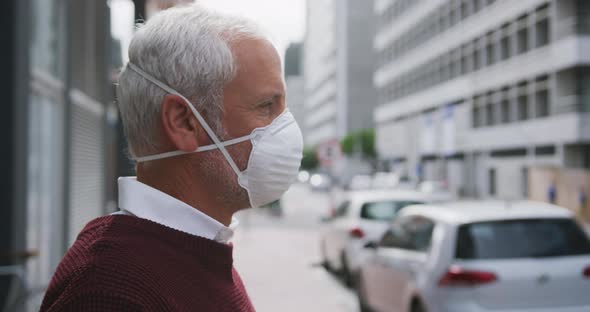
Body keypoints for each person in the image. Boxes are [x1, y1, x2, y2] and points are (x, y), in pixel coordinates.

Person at [40, 4, 303, 311]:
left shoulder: (197, 248)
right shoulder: (109, 289)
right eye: (266, 106)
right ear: (183, 122)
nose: (284, 127)